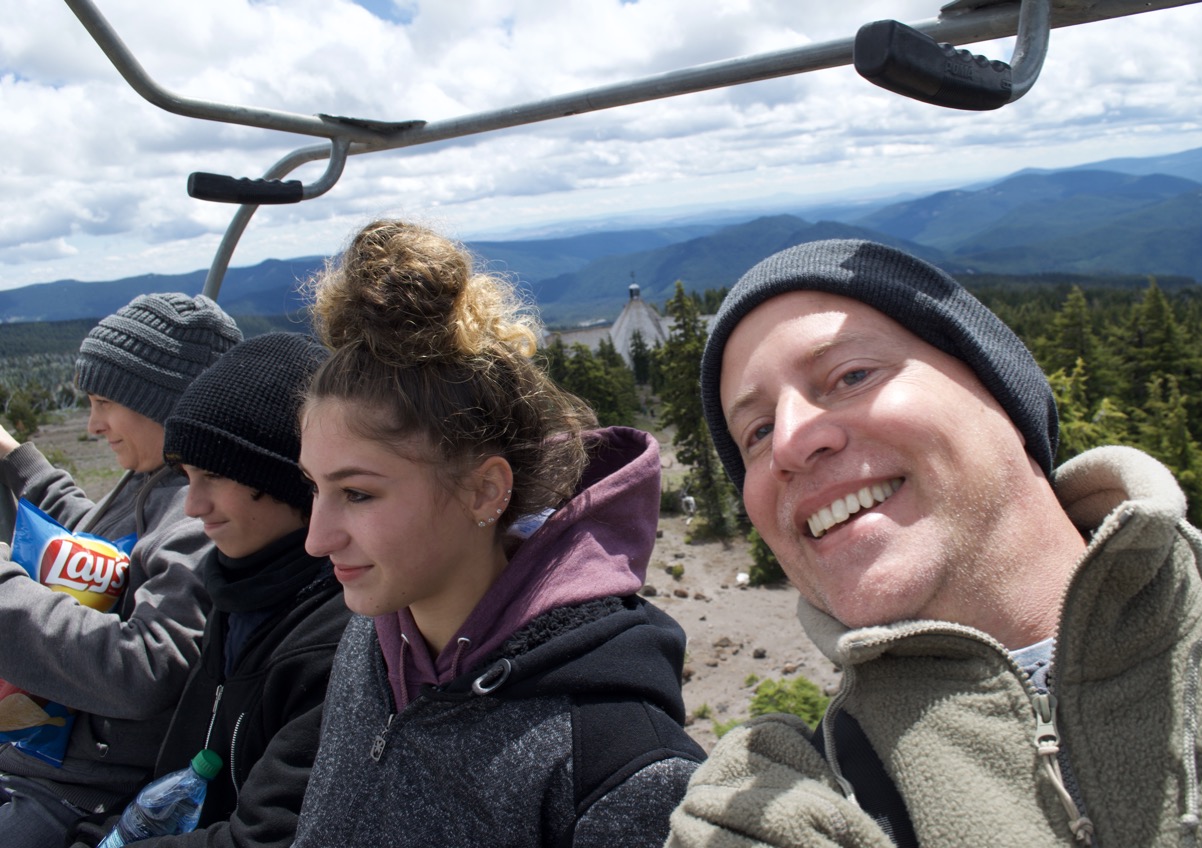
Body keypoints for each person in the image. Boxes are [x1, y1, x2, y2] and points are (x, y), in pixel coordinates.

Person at [667, 239, 1202, 848]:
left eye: (851, 375)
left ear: (1003, 396)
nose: (791, 444)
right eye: (758, 431)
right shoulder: (784, 797)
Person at [290, 220, 704, 848]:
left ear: (486, 491)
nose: (317, 540)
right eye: (314, 488)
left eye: (357, 494)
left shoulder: (617, 770)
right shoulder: (372, 643)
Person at [64, 330, 351, 848]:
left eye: (215, 477)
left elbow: (271, 837)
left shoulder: (332, 642)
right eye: (187, 476)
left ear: (292, 481)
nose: (193, 506)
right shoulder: (237, 588)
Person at [0, 292, 242, 846]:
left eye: (105, 401)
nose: (92, 425)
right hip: (39, 763)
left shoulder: (194, 512)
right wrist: (16, 457)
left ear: (162, 405)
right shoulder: (152, 479)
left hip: (74, 793)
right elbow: (98, 550)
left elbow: (147, 669)